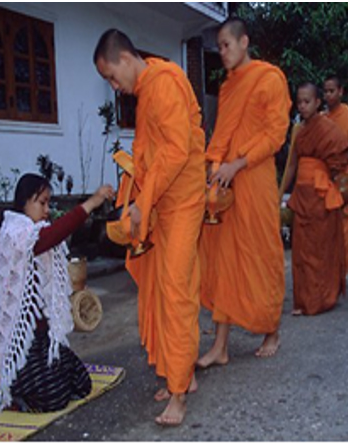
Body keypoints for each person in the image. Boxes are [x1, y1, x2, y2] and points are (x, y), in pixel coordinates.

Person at [94, 29, 206, 426]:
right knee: (163, 288)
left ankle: (178, 393)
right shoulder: (150, 85)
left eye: (110, 77)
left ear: (125, 58)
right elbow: (155, 150)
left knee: (176, 290)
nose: (114, 87)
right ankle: (182, 374)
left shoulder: (161, 83)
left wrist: (144, 201)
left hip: (182, 200)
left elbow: (176, 150)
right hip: (164, 202)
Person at [197, 17, 291, 367]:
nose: (222, 52)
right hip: (225, 183)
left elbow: (275, 135)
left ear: (244, 42)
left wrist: (236, 165)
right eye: (219, 46)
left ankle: (271, 330)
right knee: (224, 260)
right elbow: (221, 133)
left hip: (255, 178)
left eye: (226, 45)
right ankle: (220, 345)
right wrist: (214, 165)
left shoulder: (269, 78)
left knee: (261, 254)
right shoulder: (227, 87)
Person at [0, 173, 114, 413]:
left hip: (43, 338)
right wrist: (91, 203)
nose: (47, 209)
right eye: (42, 202)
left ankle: (40, 385)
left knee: (82, 383)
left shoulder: (36, 230)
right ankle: (16, 393)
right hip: (22, 345)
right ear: (25, 201)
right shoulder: (15, 232)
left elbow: (52, 265)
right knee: (55, 398)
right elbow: (50, 237)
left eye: (49, 203)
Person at [279, 83, 348, 315]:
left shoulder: (329, 129)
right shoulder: (298, 130)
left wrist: (331, 187)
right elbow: (292, 165)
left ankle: (321, 298)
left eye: (307, 101)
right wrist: (278, 195)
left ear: (318, 102)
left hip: (320, 195)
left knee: (319, 249)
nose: (302, 106)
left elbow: (339, 164)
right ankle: (303, 300)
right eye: (299, 101)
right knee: (301, 250)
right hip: (302, 194)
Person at [323, 76, 348, 274]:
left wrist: (345, 164)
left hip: (344, 174)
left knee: (344, 218)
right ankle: (332, 265)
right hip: (327, 174)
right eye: (325, 91)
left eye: (332, 91)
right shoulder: (323, 119)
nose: (328, 95)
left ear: (341, 91)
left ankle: (342, 266)